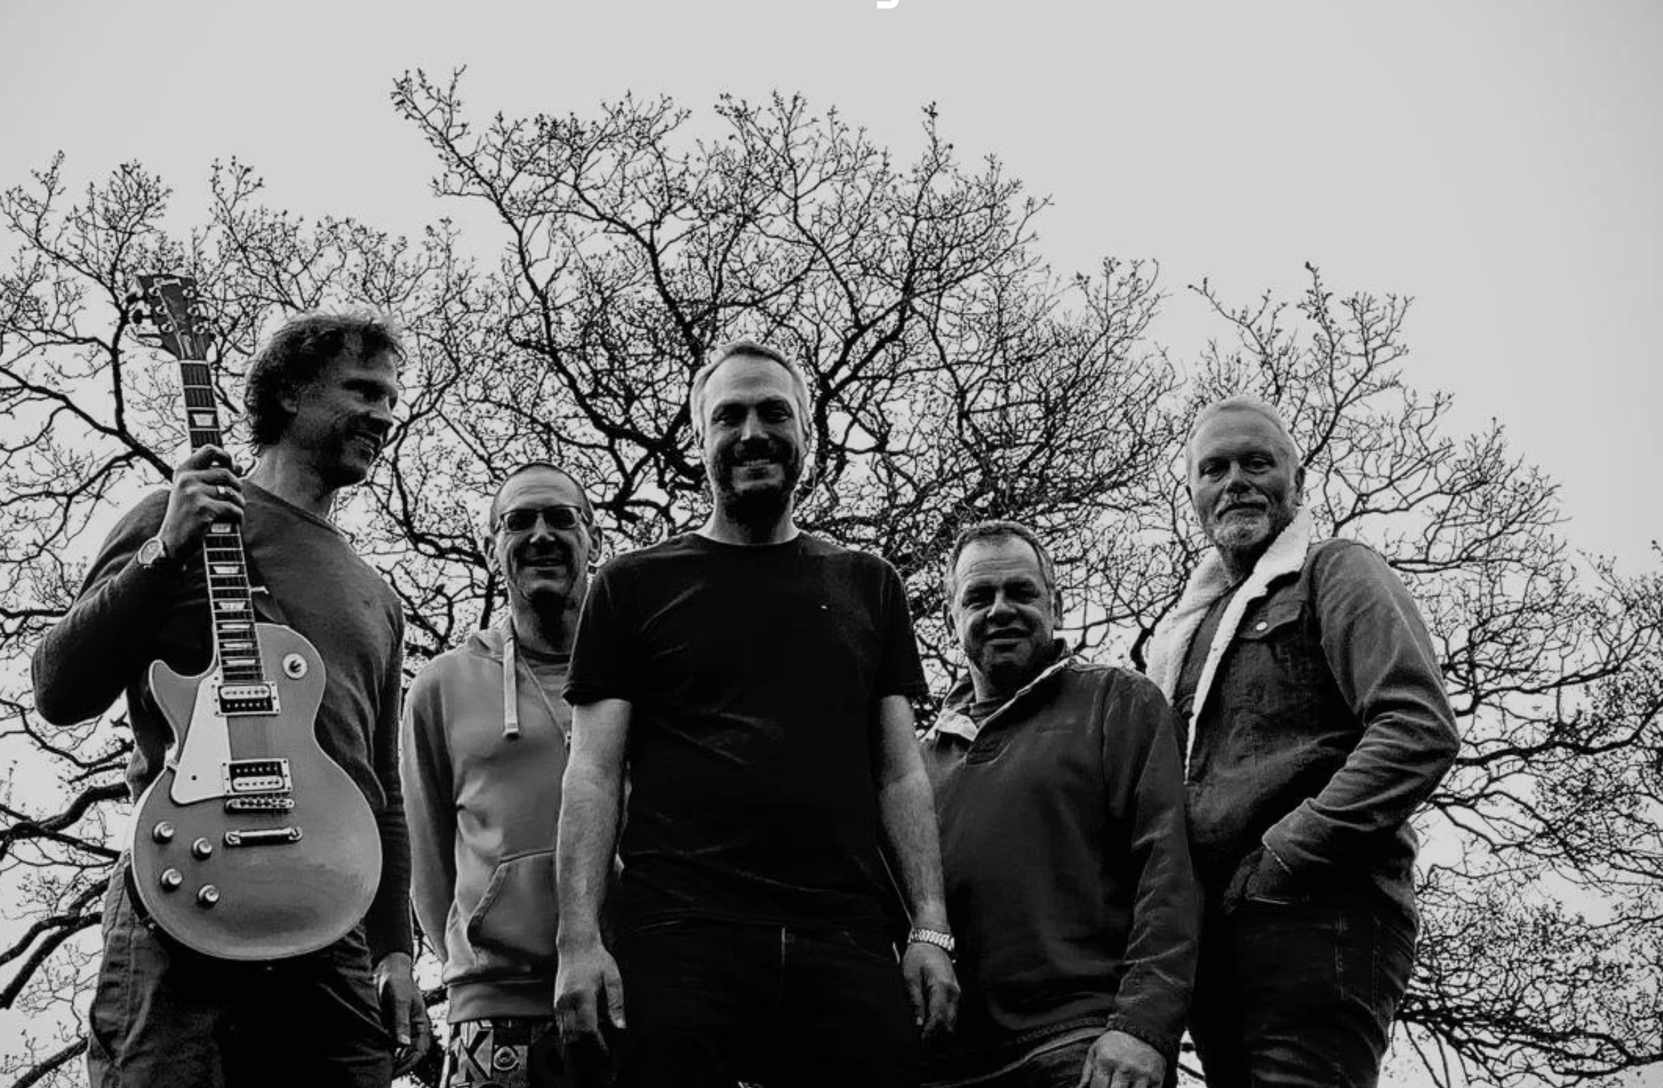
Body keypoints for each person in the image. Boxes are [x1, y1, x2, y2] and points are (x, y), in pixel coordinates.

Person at [32, 312, 431, 1087]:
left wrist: (396, 952)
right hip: (183, 896)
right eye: (363, 391)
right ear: (290, 392)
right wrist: (165, 548)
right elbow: (58, 687)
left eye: (390, 398)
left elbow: (380, 788)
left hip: (331, 920)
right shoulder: (171, 517)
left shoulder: (377, 597)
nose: (384, 414)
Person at [551, 341, 960, 1087]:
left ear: (808, 432)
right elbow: (593, 773)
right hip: (679, 933)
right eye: (728, 416)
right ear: (700, 437)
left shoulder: (870, 584)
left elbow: (900, 774)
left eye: (774, 413)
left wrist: (929, 927)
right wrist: (578, 939)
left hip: (845, 933)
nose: (752, 433)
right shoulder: (629, 586)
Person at [1145, 396, 1461, 1088]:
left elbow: (1416, 728)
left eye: (1257, 462)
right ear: (1192, 493)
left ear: (1298, 480)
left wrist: (1286, 856)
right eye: (1215, 468)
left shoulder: (1336, 570)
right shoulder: (1185, 632)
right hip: (1213, 940)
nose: (1236, 481)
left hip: (1317, 914)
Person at [920, 521, 1197, 1088]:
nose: (1000, 609)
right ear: (951, 619)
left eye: (1021, 592)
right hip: (944, 1067)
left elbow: (1169, 869)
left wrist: (1144, 1025)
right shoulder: (918, 764)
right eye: (979, 596)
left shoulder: (1116, 701)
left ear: (1057, 604)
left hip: (1083, 1048)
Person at [404, 462, 608, 1088]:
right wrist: (481, 951)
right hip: (493, 1007)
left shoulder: (644, 676)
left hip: (637, 992)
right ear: (494, 549)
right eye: (519, 522)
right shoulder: (442, 685)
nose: (541, 535)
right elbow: (427, 862)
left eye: (560, 518)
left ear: (594, 538)